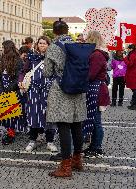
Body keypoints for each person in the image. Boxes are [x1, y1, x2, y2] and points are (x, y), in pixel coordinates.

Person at [43, 19, 86, 177]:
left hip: (61, 90)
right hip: (78, 89)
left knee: (63, 127)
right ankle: (77, 160)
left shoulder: (53, 47)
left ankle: (65, 166)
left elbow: (47, 73)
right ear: (67, 30)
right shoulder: (78, 45)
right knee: (77, 125)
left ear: (54, 32)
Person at [19, 36, 58, 152]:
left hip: (48, 92)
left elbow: (57, 74)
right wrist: (20, 81)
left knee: (49, 117)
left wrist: (53, 84)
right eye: (40, 43)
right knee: (33, 115)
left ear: (48, 45)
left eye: (44, 43)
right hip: (34, 91)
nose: (42, 45)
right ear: (37, 45)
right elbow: (23, 71)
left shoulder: (53, 58)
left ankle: (50, 141)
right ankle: (32, 140)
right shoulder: (32, 58)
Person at [83, 31, 110, 158]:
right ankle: (93, 146)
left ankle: (97, 147)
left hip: (97, 91)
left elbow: (91, 74)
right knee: (95, 121)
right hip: (98, 89)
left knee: (96, 121)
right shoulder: (98, 54)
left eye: (87, 38)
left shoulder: (96, 55)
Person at [0, 40, 26, 145]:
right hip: (4, 91)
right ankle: (10, 131)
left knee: (12, 114)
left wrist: (9, 89)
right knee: (6, 114)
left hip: (13, 91)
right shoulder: (3, 59)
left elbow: (18, 77)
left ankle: (11, 134)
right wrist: (1, 89)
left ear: (8, 48)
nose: (2, 49)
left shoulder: (18, 61)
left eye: (3, 47)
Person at [124, 44, 136, 110]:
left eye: (128, 48)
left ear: (131, 49)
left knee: (135, 90)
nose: (127, 50)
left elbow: (130, 64)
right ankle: (133, 103)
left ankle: (135, 104)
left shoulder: (132, 55)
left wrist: (125, 58)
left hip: (133, 74)